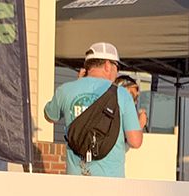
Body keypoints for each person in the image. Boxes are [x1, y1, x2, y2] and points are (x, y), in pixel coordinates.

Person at [43, 42, 143, 177]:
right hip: (111, 181)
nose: (117, 72)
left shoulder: (65, 90)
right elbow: (135, 141)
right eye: (116, 66)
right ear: (108, 65)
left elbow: (50, 116)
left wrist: (78, 83)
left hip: (76, 178)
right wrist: (140, 124)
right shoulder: (122, 95)